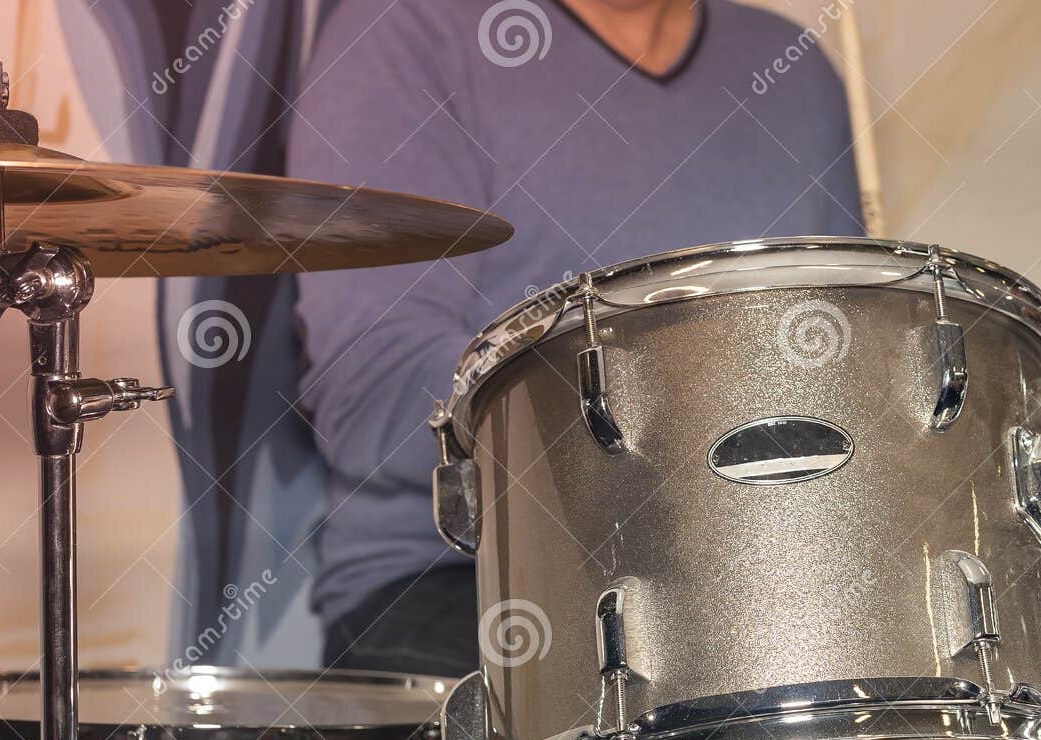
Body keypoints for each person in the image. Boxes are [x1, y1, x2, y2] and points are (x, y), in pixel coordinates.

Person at [289, 0, 863, 677]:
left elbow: (845, 361)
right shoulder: (404, 28)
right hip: (468, 582)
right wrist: (669, 424)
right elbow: (371, 393)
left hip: (768, 589)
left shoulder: (794, 67)